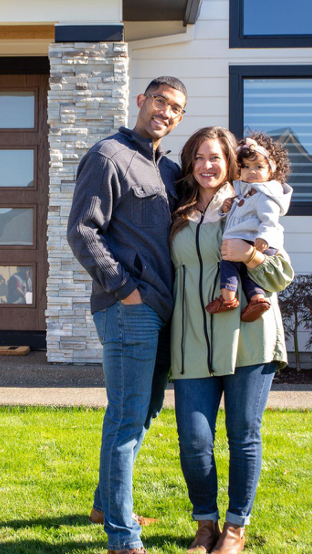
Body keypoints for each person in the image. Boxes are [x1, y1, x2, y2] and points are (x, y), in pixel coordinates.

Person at [67, 76, 187, 554]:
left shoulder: (170, 169)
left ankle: (104, 505)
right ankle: (122, 534)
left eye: (175, 108)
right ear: (141, 100)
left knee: (143, 413)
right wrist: (124, 290)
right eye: (159, 100)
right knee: (126, 417)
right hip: (128, 309)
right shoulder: (108, 156)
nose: (165, 111)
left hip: (162, 309)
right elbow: (83, 232)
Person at [168, 126, 294, 554]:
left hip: (249, 338)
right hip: (192, 341)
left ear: (231, 164)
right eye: (200, 157)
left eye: (217, 158)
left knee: (242, 433)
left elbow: (281, 276)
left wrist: (252, 256)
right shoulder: (177, 210)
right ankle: (205, 524)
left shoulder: (249, 202)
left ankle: (236, 529)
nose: (208, 166)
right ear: (190, 163)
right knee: (195, 439)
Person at [208, 132, 293, 322]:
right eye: (245, 166)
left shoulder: (265, 194)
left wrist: (264, 237)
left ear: (271, 170)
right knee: (248, 273)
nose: (251, 171)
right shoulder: (246, 191)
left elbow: (270, 219)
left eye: (258, 167)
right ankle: (257, 299)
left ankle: (227, 299)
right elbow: (236, 216)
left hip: (254, 241)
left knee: (228, 264)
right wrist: (226, 208)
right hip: (249, 239)